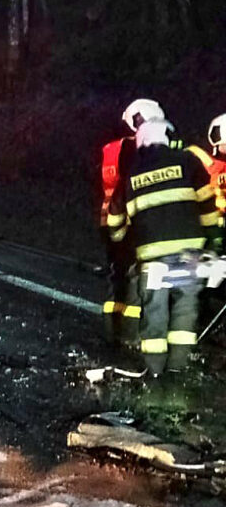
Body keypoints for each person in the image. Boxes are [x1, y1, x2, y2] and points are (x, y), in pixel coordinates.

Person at [106, 114, 220, 377]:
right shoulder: (188, 161)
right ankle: (178, 369)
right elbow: (207, 204)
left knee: (154, 313)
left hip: (153, 257)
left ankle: (154, 372)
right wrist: (213, 240)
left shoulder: (131, 173)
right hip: (190, 254)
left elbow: (115, 218)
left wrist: (119, 238)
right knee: (185, 308)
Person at [97, 100, 162, 344]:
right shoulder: (135, 149)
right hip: (130, 220)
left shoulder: (110, 148)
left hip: (108, 220)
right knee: (135, 279)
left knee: (117, 277)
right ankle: (131, 337)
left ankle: (112, 333)